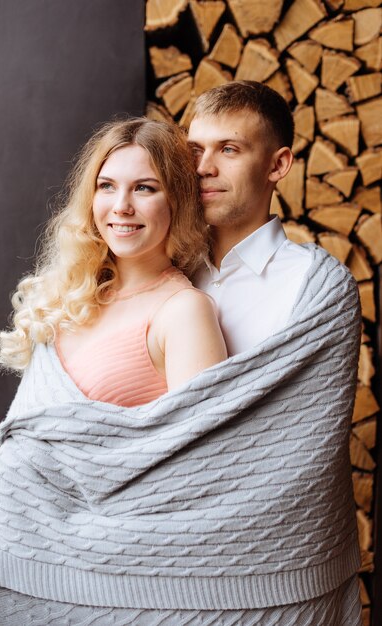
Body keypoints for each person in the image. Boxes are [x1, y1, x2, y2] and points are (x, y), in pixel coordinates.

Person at [0, 118, 227, 623]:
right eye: (107, 186)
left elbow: (198, 474)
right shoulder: (77, 297)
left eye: (145, 188)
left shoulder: (183, 311)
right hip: (36, 563)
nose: (122, 206)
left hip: (110, 577)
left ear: (176, 199)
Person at [188, 80, 363, 623]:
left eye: (229, 150)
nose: (202, 168)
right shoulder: (159, 270)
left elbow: (303, 444)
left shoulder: (317, 287)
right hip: (165, 555)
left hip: (273, 562)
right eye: (194, 150)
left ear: (279, 164)